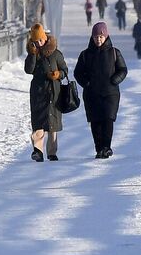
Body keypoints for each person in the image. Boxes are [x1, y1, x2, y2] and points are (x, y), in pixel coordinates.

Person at [73, 21, 128, 158]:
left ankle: (107, 147)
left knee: (108, 119)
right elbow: (78, 73)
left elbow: (123, 69)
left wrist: (115, 80)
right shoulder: (85, 55)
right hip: (92, 93)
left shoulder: (115, 52)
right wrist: (86, 83)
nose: (98, 39)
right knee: (95, 121)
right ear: (92, 38)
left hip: (111, 93)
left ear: (106, 37)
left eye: (101, 37)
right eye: (96, 37)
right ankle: (99, 148)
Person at [25, 23, 69, 161]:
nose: (38, 43)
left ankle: (52, 152)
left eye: (40, 40)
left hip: (54, 92)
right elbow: (28, 70)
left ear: (44, 38)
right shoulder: (33, 54)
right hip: (38, 92)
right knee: (38, 122)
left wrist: (57, 74)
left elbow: (65, 71)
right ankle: (38, 151)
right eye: (35, 41)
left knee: (52, 124)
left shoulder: (56, 53)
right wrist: (32, 54)